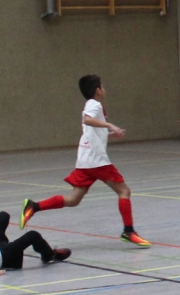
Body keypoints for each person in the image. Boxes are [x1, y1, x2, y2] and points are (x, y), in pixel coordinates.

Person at [20, 74, 150, 247]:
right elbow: (87, 120)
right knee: (124, 191)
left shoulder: (93, 106)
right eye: (102, 86)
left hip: (85, 161)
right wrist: (110, 125)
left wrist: (109, 134)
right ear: (98, 90)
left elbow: (91, 131)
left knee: (73, 200)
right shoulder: (94, 104)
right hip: (97, 162)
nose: (104, 89)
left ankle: (34, 206)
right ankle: (129, 231)